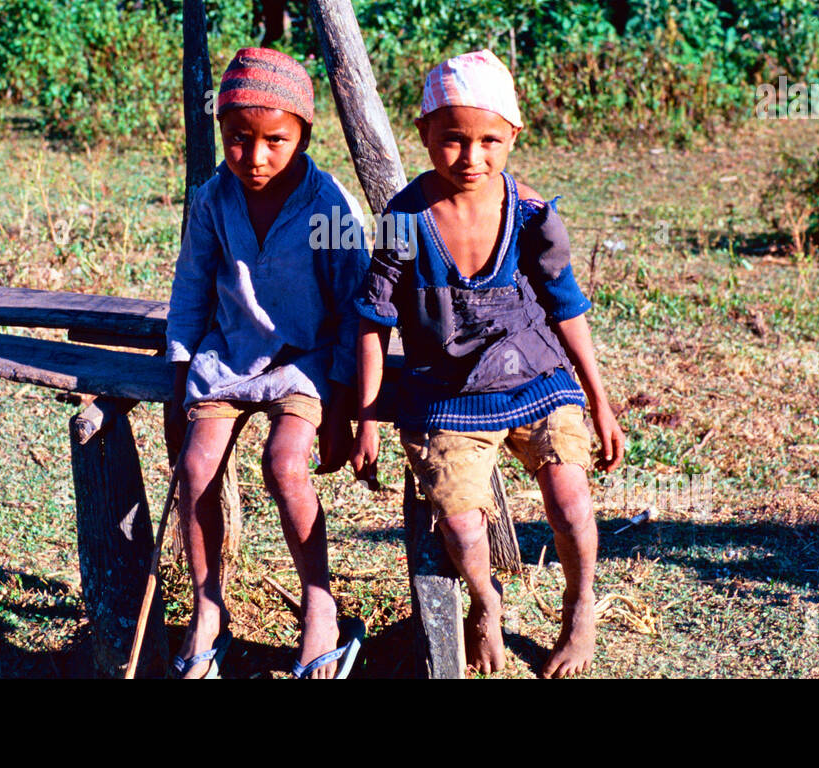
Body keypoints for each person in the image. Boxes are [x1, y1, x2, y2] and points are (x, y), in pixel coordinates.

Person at [352, 48, 626, 678]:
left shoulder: (530, 214)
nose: (471, 158)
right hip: (447, 393)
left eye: (489, 141)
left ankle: (580, 606)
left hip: (536, 377)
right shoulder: (407, 219)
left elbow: (565, 307)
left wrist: (599, 400)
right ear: (423, 134)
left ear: (513, 138)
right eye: (452, 140)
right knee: (463, 527)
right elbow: (373, 321)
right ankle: (485, 601)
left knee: (570, 502)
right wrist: (367, 419)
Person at [166, 47, 368, 678]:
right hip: (228, 356)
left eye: (275, 141)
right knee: (195, 469)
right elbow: (192, 286)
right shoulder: (211, 200)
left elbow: (354, 306)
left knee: (284, 466)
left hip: (306, 361)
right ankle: (207, 606)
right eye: (238, 140)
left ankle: (319, 603)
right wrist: (179, 375)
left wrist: (344, 406)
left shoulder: (326, 203)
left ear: (304, 134)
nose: (255, 157)